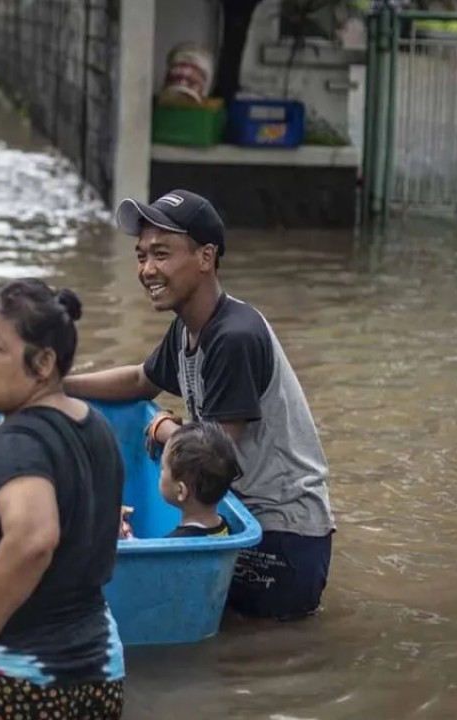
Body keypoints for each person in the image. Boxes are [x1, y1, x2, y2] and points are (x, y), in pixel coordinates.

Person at [64, 189, 335, 620]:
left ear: (205, 258)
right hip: (238, 518)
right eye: (141, 256)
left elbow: (212, 456)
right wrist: (59, 387)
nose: (147, 269)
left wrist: (163, 429)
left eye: (161, 254)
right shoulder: (189, 328)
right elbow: (140, 380)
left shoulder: (234, 337)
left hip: (280, 536)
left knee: (252, 658)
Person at [0, 279, 125, 720]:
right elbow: (65, 536)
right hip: (95, 670)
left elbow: (34, 540)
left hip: (7, 679)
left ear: (44, 362)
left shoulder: (21, 441)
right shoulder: (94, 428)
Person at [159, 421, 241, 538]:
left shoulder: (174, 546)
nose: (160, 472)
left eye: (163, 468)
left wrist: (127, 538)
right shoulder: (225, 526)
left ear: (180, 491)